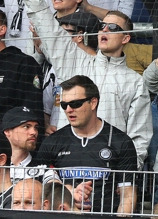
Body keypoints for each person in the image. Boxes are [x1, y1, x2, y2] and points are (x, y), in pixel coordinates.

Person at [19, 0, 151, 168]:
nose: (105, 29)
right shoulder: (75, 61)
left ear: (125, 38)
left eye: (113, 27)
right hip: (66, 166)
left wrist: (128, 177)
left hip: (108, 169)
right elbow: (46, 23)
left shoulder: (135, 82)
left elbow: (139, 138)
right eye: (103, 25)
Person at [34, 75, 137, 214]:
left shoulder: (120, 142)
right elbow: (40, 189)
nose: (69, 109)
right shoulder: (52, 142)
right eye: (64, 105)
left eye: (75, 104)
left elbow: (127, 195)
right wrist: (69, 191)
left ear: (93, 103)